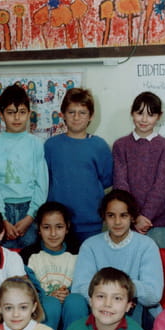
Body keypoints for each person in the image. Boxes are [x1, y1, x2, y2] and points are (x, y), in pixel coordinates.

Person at [71, 189, 163, 330]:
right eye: (111, 215)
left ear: (132, 217)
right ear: (104, 217)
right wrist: (110, 297)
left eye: (123, 215)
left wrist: (122, 294)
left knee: (134, 306)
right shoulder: (90, 245)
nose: (117, 222)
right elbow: (79, 287)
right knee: (76, 303)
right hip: (99, 309)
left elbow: (153, 295)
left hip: (135, 310)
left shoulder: (147, 245)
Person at [44, 87, 113, 242]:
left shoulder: (99, 146)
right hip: (57, 224)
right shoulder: (51, 146)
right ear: (63, 114)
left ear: (91, 116)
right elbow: (46, 181)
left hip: (91, 222)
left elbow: (106, 181)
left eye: (82, 113)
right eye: (71, 112)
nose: (76, 117)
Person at [0, 84, 48, 248]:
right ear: (1, 115)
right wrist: (2, 218)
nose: (17, 118)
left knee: (29, 255)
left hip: (30, 208)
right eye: (11, 112)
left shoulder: (36, 144)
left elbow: (42, 183)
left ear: (29, 114)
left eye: (22, 112)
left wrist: (31, 216)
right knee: (5, 257)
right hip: (2, 209)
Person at [112, 91, 165, 248]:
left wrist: (145, 216)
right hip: (127, 221)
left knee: (158, 262)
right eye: (140, 113)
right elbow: (120, 184)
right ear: (132, 113)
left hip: (159, 223)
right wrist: (134, 216)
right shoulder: (120, 145)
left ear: (159, 116)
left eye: (151, 115)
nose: (144, 119)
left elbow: (162, 185)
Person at [20, 201, 87, 330]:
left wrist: (68, 292)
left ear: (67, 227)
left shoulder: (79, 253)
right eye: (46, 227)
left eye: (59, 227)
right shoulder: (28, 255)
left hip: (71, 310)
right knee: (50, 303)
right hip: (44, 310)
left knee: (76, 301)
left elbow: (85, 283)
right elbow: (25, 288)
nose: (53, 233)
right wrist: (46, 296)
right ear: (38, 228)